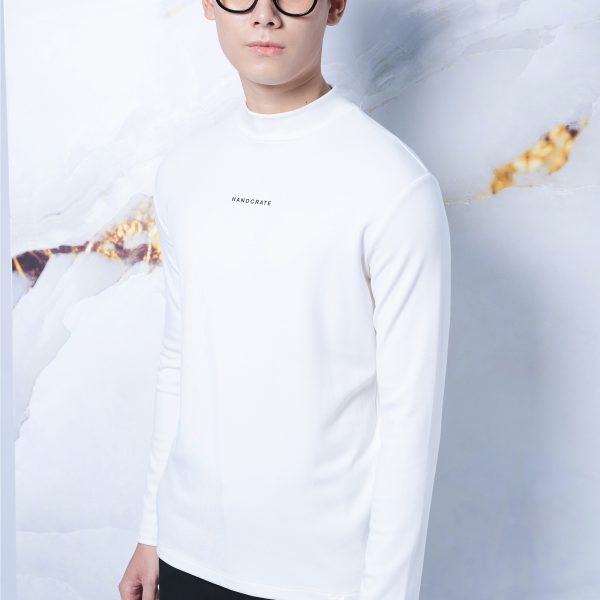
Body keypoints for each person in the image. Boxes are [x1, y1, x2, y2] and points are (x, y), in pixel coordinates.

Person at [119, 0, 451, 598]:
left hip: (321, 578)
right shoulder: (185, 171)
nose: (265, 15)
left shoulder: (394, 186)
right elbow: (178, 361)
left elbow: (411, 420)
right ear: (208, 6)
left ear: (335, 6)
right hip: (187, 554)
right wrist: (152, 531)